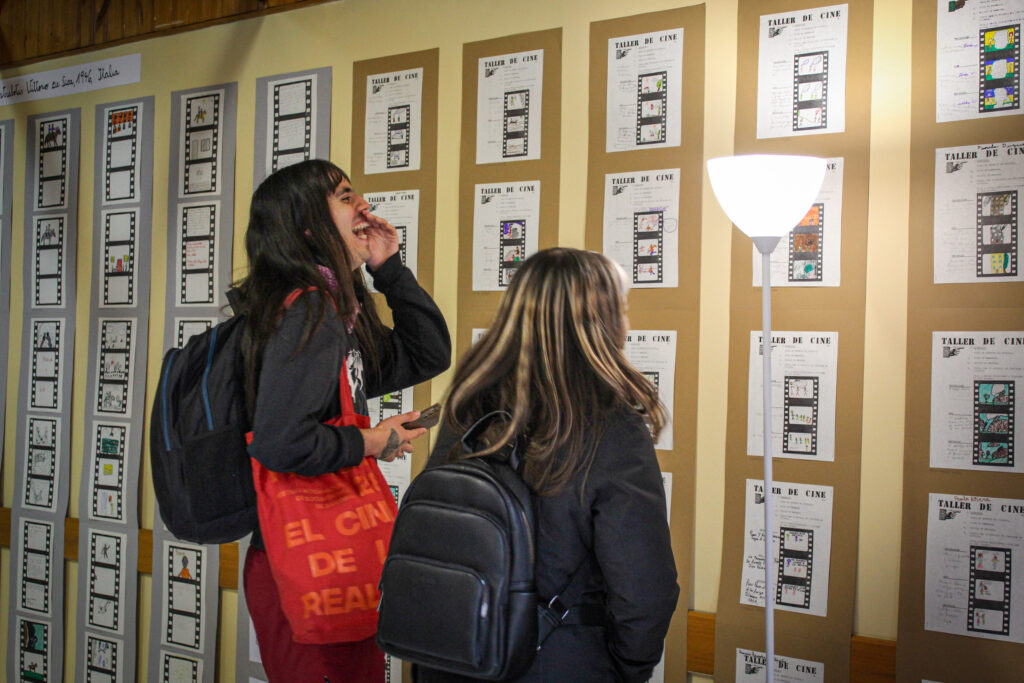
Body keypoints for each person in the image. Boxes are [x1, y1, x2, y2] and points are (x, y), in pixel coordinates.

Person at [232, 159, 451, 682]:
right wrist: (371, 441)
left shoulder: (333, 311)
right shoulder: (307, 312)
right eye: (346, 196)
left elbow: (427, 353)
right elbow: (281, 443)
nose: (364, 205)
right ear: (308, 225)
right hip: (304, 558)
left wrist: (388, 269)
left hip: (326, 555)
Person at [419, 248, 678, 682]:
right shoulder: (612, 430)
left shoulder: (468, 409)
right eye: (622, 311)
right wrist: (627, 670)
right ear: (600, 324)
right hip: (559, 660)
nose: (628, 326)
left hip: (454, 652)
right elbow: (644, 590)